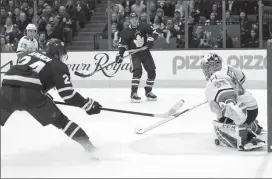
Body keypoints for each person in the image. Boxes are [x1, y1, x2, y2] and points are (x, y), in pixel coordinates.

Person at [0, 38, 102, 156]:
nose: (63, 58)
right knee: (63, 122)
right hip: (31, 95)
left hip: (6, 88)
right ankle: (92, 150)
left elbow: (24, 74)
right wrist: (87, 104)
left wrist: (42, 92)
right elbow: (68, 95)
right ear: (57, 53)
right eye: (63, 54)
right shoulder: (58, 65)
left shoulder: (32, 54)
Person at [201, 52, 265, 151]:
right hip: (252, 106)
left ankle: (243, 137)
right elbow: (242, 78)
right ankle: (253, 126)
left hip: (241, 110)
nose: (206, 70)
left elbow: (225, 94)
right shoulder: (228, 68)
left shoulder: (215, 77)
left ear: (212, 67)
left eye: (207, 67)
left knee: (219, 126)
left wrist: (231, 105)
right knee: (222, 108)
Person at [116, 12, 156, 103]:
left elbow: (154, 32)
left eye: (135, 18)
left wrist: (150, 39)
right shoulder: (125, 32)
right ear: (129, 20)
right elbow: (122, 44)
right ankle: (133, 93)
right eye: (132, 19)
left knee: (152, 72)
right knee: (138, 71)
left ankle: (148, 91)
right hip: (134, 53)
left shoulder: (144, 26)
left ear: (138, 19)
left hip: (145, 52)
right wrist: (120, 54)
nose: (134, 20)